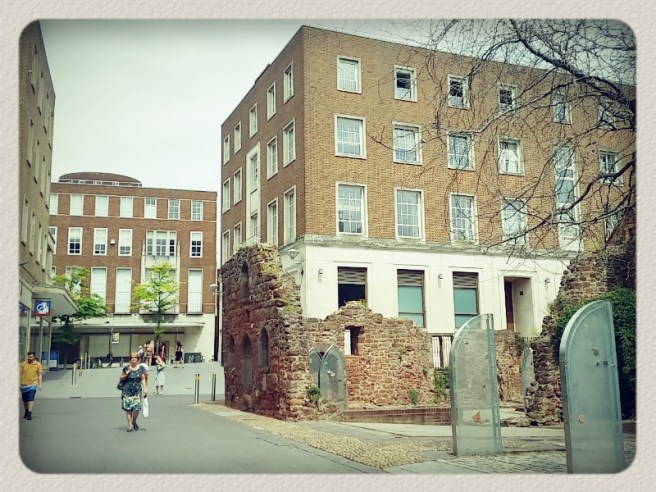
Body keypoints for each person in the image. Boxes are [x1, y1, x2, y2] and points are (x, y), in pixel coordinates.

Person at [119, 353, 147, 432]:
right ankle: (130, 425)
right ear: (130, 359)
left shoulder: (141, 368)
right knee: (128, 409)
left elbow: (143, 379)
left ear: (138, 359)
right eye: (132, 357)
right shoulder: (126, 368)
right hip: (127, 391)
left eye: (135, 357)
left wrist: (145, 389)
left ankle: (134, 421)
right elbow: (121, 378)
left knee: (136, 408)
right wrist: (126, 374)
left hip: (137, 391)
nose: (133, 359)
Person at [20, 351, 43, 420]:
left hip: (33, 384)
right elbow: (20, 374)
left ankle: (29, 413)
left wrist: (40, 384)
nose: (29, 358)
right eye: (28, 357)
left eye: (31, 357)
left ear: (34, 357)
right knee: (25, 400)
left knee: (31, 398)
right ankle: (26, 411)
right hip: (24, 384)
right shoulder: (23, 364)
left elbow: (40, 375)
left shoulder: (38, 364)